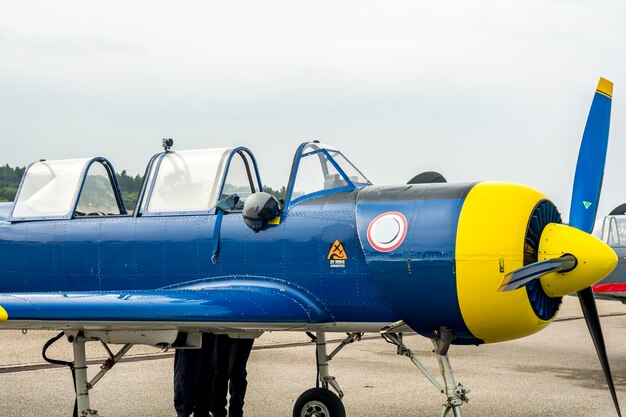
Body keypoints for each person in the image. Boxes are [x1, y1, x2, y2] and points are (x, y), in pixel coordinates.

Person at [173, 332, 216, 417]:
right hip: (189, 329)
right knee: (185, 370)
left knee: (206, 370)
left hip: (208, 329)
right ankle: (184, 411)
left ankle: (201, 409)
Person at [211, 334, 255, 417]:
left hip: (242, 329)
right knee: (219, 370)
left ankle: (235, 411)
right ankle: (218, 410)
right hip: (221, 328)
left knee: (236, 370)